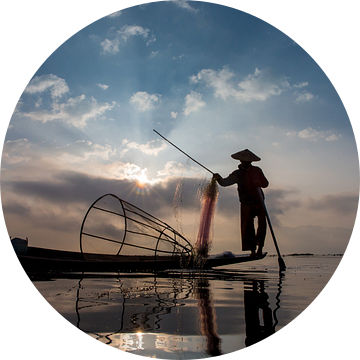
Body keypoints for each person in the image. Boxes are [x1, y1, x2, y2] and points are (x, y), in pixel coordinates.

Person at [213, 149, 269, 257]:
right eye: (244, 161)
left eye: (248, 161)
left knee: (262, 224)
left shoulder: (257, 170)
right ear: (240, 161)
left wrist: (260, 183)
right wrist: (218, 178)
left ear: (251, 162)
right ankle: (252, 250)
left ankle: (259, 248)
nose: (246, 163)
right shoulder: (237, 174)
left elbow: (265, 183)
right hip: (246, 202)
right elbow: (224, 183)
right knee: (247, 227)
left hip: (259, 200)